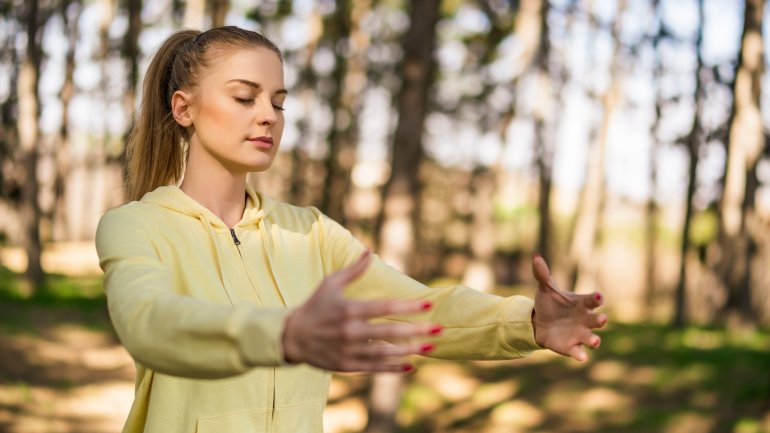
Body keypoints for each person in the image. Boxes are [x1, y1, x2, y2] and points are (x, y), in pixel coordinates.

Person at [95, 26, 607, 433]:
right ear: (184, 108)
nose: (268, 116)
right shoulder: (135, 227)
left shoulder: (310, 232)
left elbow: (418, 311)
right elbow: (151, 324)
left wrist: (529, 323)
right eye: (244, 97)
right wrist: (284, 334)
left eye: (278, 101)